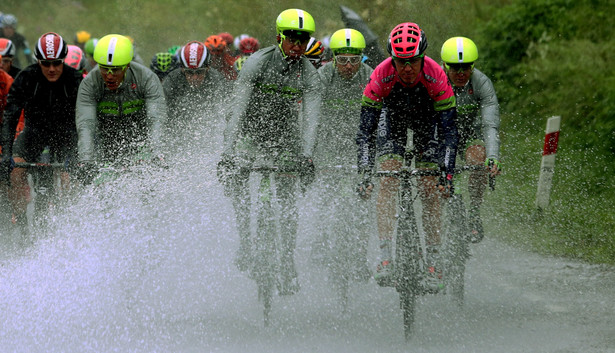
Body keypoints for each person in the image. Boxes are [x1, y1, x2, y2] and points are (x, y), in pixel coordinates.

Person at [218, 8, 322, 295]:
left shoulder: (309, 75)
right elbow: (236, 112)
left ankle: (288, 263)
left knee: (287, 199)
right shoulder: (257, 63)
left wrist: (308, 156)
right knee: (237, 179)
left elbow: (312, 120)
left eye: (303, 40)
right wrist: (227, 154)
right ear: (279, 37)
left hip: (285, 139)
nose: (298, 45)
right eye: (292, 39)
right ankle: (245, 243)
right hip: (249, 134)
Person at [356, 22, 458, 288]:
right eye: (401, 62)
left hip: (428, 121)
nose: (408, 68)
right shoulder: (381, 74)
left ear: (422, 56)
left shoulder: (436, 75)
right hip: (393, 120)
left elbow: (449, 133)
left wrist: (447, 174)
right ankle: (385, 256)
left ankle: (434, 263)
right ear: (393, 59)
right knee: (388, 177)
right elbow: (365, 132)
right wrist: (365, 171)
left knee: (429, 186)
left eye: (413, 61)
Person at [0, 32, 82, 235]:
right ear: (38, 61)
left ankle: (71, 224)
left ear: (63, 60)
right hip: (33, 135)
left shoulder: (75, 79)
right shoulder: (26, 77)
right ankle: (22, 226)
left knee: (70, 177)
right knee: (14, 172)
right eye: (46, 64)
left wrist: (76, 154)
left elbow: (83, 121)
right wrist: (6, 154)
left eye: (57, 63)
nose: (52, 69)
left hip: (65, 136)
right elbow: (10, 118)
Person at [310, 28, 374, 281]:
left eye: (354, 60)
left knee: (362, 201)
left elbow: (380, 119)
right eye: (343, 60)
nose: (349, 66)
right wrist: (310, 154)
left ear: (361, 59)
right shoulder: (323, 76)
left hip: (358, 147)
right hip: (327, 144)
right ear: (333, 58)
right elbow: (310, 117)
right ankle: (321, 236)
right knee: (326, 192)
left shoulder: (370, 77)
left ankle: (359, 256)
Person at [75, 34, 167, 179]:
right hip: (106, 146)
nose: (109, 76)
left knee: (147, 185)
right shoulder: (90, 84)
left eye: (116, 69)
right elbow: (86, 124)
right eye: (104, 69)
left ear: (127, 66)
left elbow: (155, 119)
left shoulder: (146, 78)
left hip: (142, 143)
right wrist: (86, 160)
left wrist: (157, 153)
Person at [441, 36, 500, 243]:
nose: (460, 73)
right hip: (442, 134)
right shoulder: (435, 79)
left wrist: (492, 157)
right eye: (454, 68)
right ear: (444, 65)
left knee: (477, 161)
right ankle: (453, 198)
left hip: (470, 133)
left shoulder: (481, 82)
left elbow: (489, 125)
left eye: (466, 68)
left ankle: (474, 213)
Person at [162, 40, 229, 145]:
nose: (194, 77)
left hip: (208, 132)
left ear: (207, 68)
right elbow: (162, 113)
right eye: (189, 72)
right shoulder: (172, 80)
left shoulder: (217, 80)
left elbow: (225, 113)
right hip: (178, 130)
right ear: (182, 69)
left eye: (199, 72)